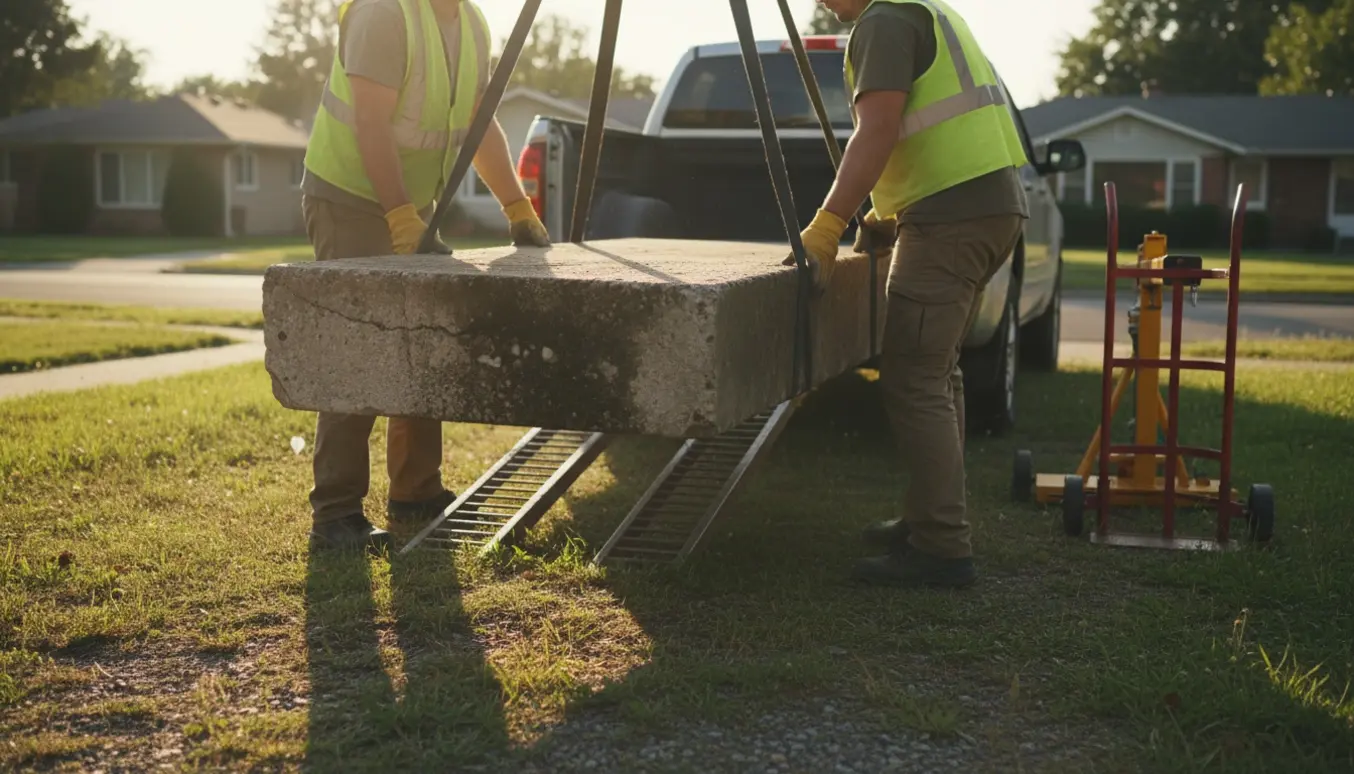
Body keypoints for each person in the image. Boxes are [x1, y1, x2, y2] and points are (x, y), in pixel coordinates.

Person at [299, 0, 551, 551]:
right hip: (349, 197)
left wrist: (516, 206)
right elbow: (369, 122)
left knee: (419, 342)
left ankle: (416, 489)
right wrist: (398, 217)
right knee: (360, 348)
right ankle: (336, 514)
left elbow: (480, 128)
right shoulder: (382, 13)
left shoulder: (472, 22)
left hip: (413, 208)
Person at [800, 0, 1030, 587]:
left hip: (951, 221)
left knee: (914, 377)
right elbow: (926, 132)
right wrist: (881, 217)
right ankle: (929, 518)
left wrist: (828, 225)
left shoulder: (883, 23)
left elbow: (878, 131)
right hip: (983, 209)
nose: (822, 3)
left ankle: (942, 549)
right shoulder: (923, 10)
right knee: (938, 371)